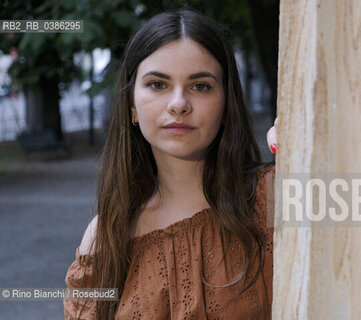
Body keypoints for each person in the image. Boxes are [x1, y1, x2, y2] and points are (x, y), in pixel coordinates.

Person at [64, 8, 278, 320]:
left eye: (200, 85)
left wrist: (321, 160)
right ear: (132, 106)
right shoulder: (107, 235)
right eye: (158, 84)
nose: (179, 103)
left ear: (226, 103)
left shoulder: (272, 197)